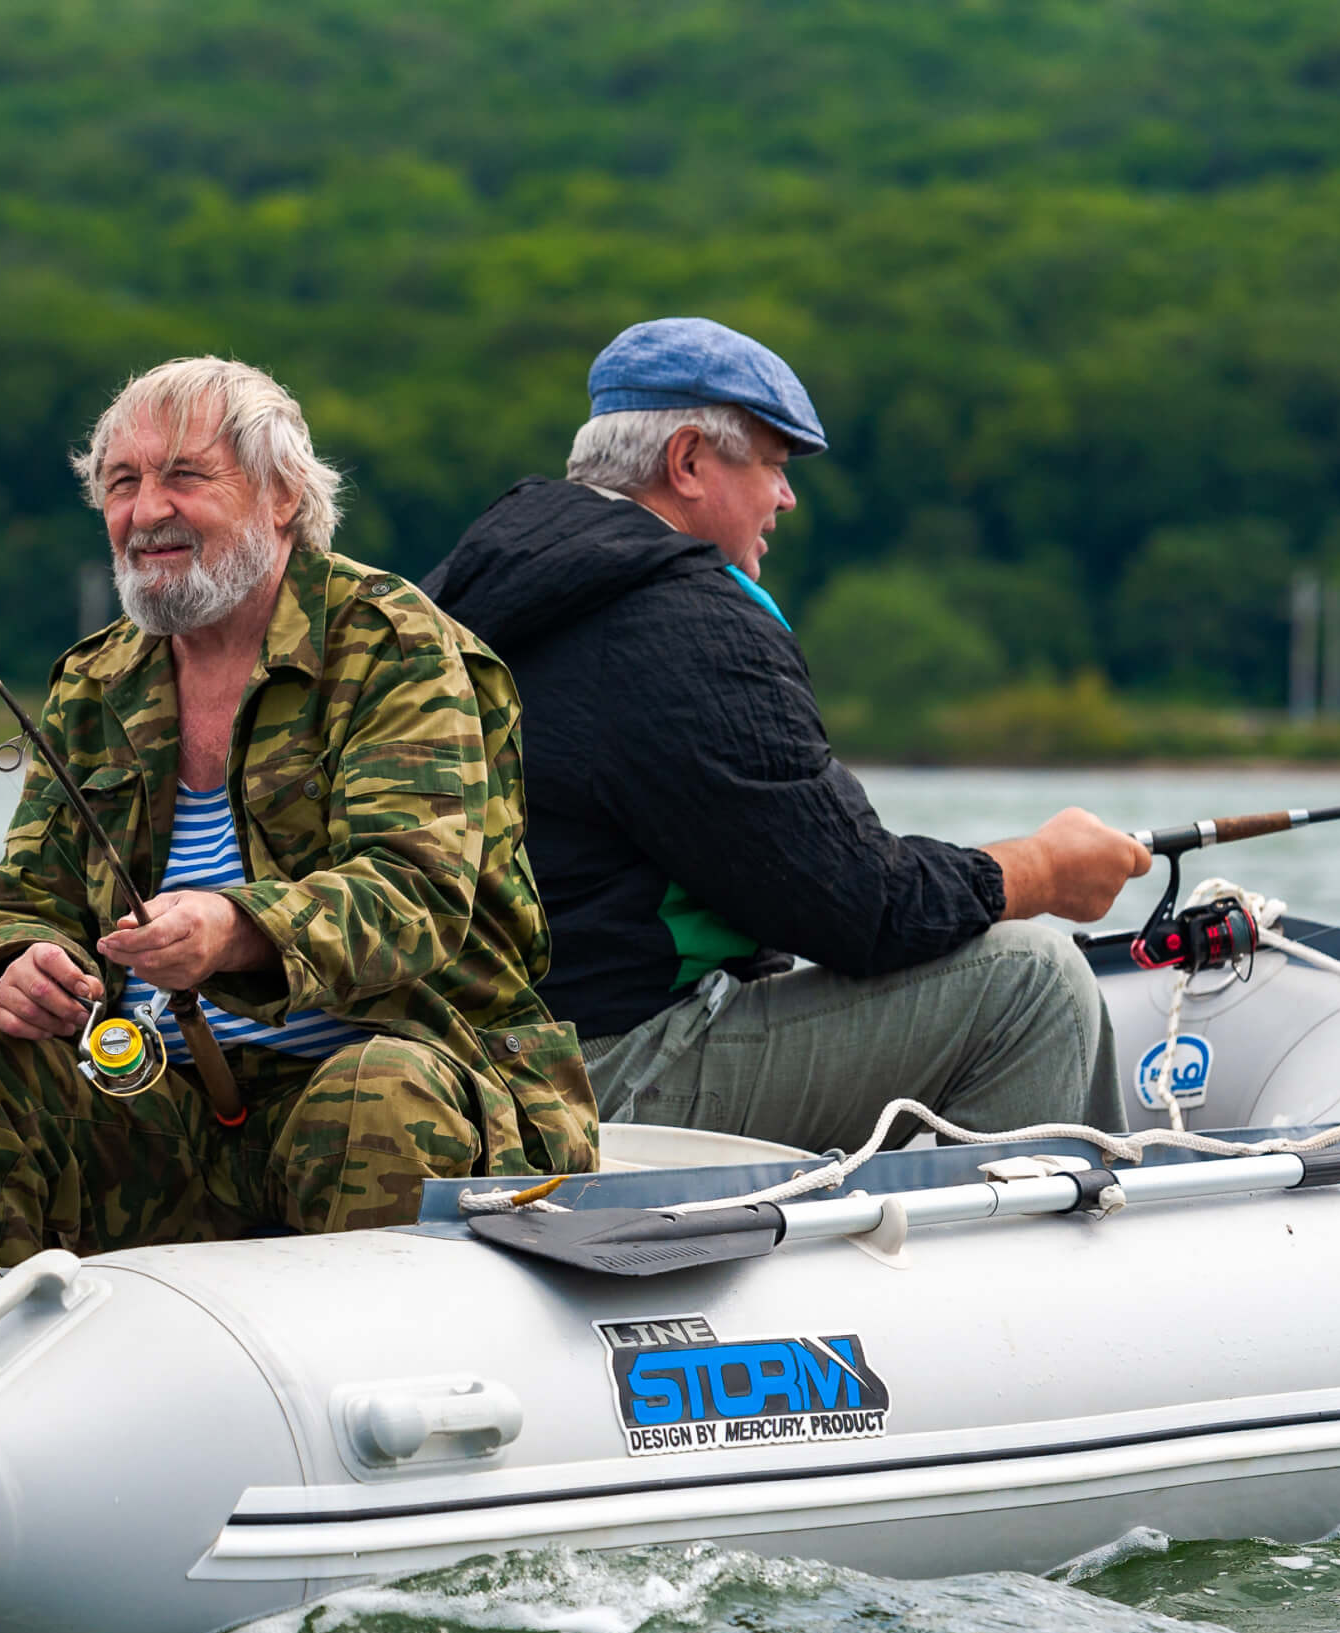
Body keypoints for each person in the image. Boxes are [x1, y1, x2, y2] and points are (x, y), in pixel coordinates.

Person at [0, 356, 595, 1269]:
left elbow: (415, 897)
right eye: (122, 484)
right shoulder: (94, 682)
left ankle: (373, 1398)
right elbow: (18, 898)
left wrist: (235, 928)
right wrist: (18, 963)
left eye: (185, 477)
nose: (146, 511)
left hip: (402, 1073)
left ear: (281, 497)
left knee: (371, 1098)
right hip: (158, 1104)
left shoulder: (396, 645)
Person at [422, 317, 1152, 1154]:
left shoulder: (476, 578)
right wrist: (1044, 867)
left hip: (458, 1068)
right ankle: (1000, 1268)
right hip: (589, 1076)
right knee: (1035, 980)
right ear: (688, 461)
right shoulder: (679, 621)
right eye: (771, 463)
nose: (786, 495)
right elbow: (861, 906)